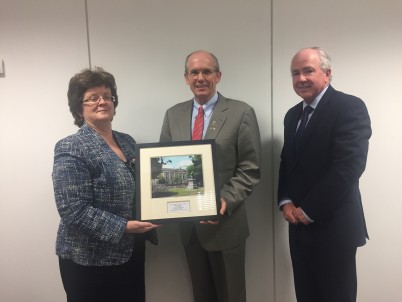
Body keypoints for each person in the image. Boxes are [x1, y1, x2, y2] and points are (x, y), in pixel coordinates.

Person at [160, 50, 261, 302]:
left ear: (218, 75)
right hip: (189, 228)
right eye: (194, 72)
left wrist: (225, 200)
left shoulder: (241, 112)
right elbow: (163, 164)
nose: (200, 77)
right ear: (186, 78)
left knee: (231, 295)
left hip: (226, 225)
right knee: (201, 295)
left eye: (207, 71)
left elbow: (250, 168)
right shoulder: (173, 115)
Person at [52, 67, 159, 302]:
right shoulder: (71, 147)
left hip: (131, 251)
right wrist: (123, 227)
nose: (102, 102)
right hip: (89, 261)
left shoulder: (128, 142)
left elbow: (146, 187)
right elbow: (72, 209)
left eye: (107, 96)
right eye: (93, 98)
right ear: (79, 108)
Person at [277, 47, 371, 302]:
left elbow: (348, 167)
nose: (301, 78)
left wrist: (307, 210)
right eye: (295, 73)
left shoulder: (349, 107)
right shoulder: (292, 115)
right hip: (297, 229)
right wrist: (285, 201)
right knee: (306, 296)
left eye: (308, 70)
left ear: (327, 73)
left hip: (334, 229)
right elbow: (287, 163)